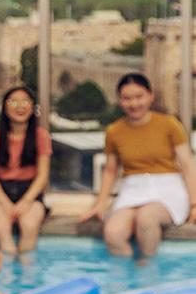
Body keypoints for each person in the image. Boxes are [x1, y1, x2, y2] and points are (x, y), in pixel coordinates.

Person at [80, 72, 196, 257]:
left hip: (168, 188)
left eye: (139, 97)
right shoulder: (114, 131)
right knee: (113, 232)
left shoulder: (170, 124)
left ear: (151, 96)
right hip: (132, 189)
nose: (134, 103)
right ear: (120, 101)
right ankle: (126, 273)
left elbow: (187, 165)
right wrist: (100, 204)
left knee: (146, 218)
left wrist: (194, 204)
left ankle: (147, 269)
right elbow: (110, 171)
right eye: (127, 98)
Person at [0, 86, 52, 254]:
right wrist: (5, 203)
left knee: (29, 226)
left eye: (25, 101)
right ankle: (8, 268)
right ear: (4, 107)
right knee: (2, 230)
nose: (20, 106)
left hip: (30, 194)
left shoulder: (41, 136)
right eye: (13, 102)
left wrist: (25, 201)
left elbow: (42, 175)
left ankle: (27, 270)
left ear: (33, 107)